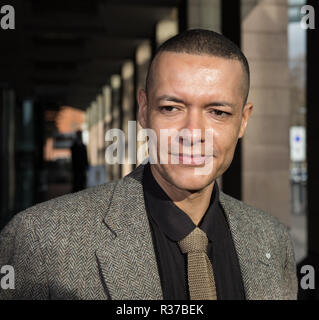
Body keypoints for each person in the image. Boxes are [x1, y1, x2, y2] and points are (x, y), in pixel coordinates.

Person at [0, 29, 297, 300]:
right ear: (144, 111)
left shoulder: (273, 239)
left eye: (217, 112)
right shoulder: (40, 239)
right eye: (171, 108)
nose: (193, 134)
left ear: (243, 120)